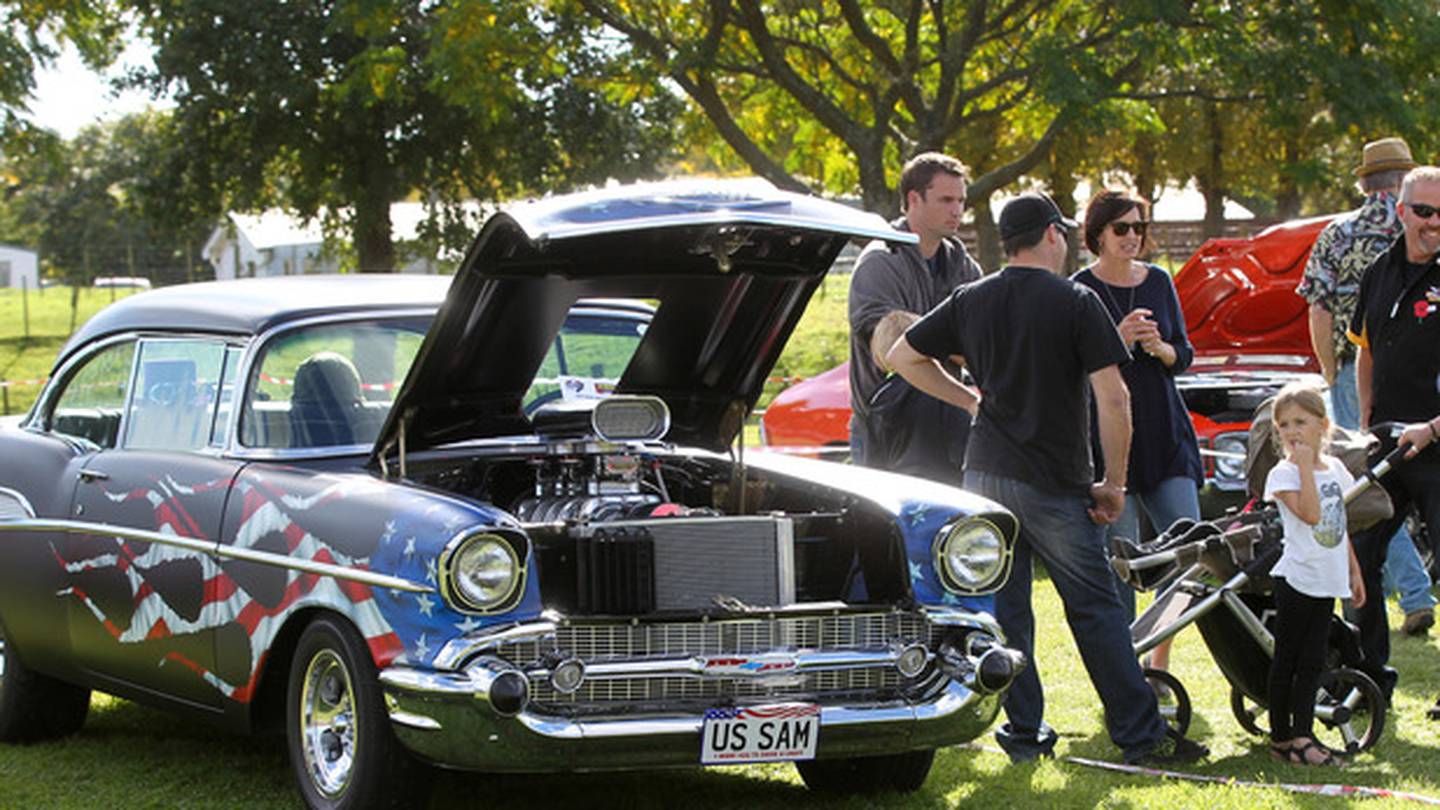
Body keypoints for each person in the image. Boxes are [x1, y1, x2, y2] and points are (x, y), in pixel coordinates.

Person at [886, 192, 1208, 766]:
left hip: (984, 473)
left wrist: (969, 401)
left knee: (1008, 615)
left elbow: (902, 355)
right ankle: (1139, 735)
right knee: (1096, 610)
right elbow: (1114, 400)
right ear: (1054, 236)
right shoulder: (1077, 301)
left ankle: (1025, 736)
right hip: (1055, 478)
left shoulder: (970, 298)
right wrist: (1114, 482)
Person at [1297, 137, 1434, 639]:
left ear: (1364, 180)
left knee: (1368, 502)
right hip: (1399, 386)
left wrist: (1331, 373)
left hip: (1371, 377)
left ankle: (1413, 594)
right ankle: (1408, 607)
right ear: (1401, 190)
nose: (1431, 218)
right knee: (1377, 508)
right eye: (1421, 208)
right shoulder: (1403, 243)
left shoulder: (1337, 232)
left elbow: (1317, 306)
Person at [1072, 191, 1203, 644]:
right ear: (1098, 234)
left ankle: (1157, 659)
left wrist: (1161, 349)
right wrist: (1119, 341)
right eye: (1121, 228)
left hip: (1166, 435)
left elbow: (1183, 353)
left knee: (1187, 552)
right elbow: (1072, 369)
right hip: (1110, 444)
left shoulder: (1160, 281)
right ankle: (1126, 667)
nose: (1132, 237)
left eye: (1139, 228)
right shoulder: (1079, 288)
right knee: (1122, 566)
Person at [1347, 164, 1440, 702]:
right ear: (1401, 211)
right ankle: (1367, 679)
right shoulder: (1380, 270)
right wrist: (1365, 418)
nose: (1433, 223)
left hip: (1437, 442)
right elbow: (1365, 347)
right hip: (1387, 443)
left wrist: (1431, 427)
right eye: (1423, 211)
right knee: (1360, 554)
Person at [847, 152, 981, 481]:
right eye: (946, 199)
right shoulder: (879, 261)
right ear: (913, 199)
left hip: (950, 431)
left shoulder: (965, 267)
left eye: (961, 200)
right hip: (887, 433)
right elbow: (891, 348)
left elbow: (985, 345)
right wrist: (954, 346)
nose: (957, 210)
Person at [1263, 382, 1366, 767]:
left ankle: (1302, 735)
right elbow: (1309, 514)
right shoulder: (1284, 474)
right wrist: (1305, 468)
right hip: (1297, 578)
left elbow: (1339, 525)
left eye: (1300, 422)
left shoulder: (1336, 469)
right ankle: (1283, 739)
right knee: (1287, 661)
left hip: (1327, 578)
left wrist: (1353, 571)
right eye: (1284, 425)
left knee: (1312, 661)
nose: (1291, 432)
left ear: (1322, 426)